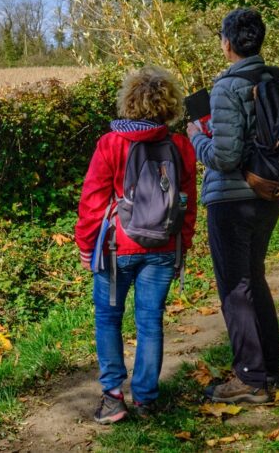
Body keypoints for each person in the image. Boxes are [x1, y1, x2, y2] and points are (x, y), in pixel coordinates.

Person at [75, 66, 197, 424]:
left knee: (108, 320)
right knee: (150, 323)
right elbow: (187, 203)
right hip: (161, 249)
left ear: (129, 102)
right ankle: (145, 400)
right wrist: (182, 245)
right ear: (169, 103)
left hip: (116, 251)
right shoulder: (180, 146)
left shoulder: (111, 143)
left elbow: (93, 201)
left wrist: (86, 245)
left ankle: (113, 399)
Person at [186, 8, 279, 403]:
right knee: (254, 280)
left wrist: (196, 136)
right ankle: (267, 369)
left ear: (227, 43)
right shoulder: (274, 78)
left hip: (231, 199)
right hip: (268, 194)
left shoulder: (226, 87)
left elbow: (224, 157)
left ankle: (250, 379)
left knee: (234, 288)